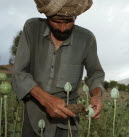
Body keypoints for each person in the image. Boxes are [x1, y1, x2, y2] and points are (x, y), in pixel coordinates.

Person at [11, 0, 105, 137]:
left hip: (67, 122)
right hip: (33, 116)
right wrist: (46, 100)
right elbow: (19, 73)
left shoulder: (87, 39)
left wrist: (97, 96)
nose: (62, 28)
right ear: (47, 16)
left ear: (75, 17)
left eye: (68, 22)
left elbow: (95, 74)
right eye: (56, 21)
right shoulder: (32, 28)